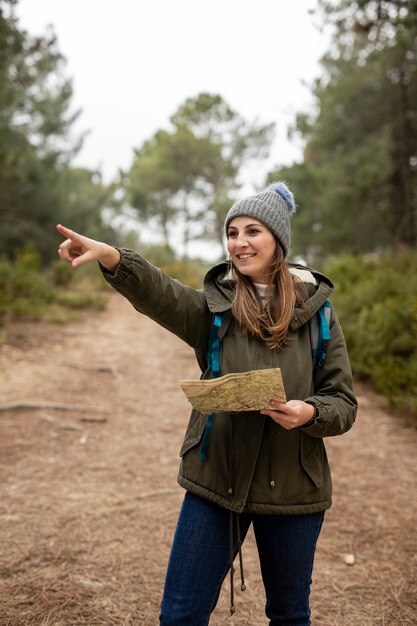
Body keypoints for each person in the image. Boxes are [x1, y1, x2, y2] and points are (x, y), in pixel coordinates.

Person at [57, 181, 357, 626]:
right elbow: (159, 293)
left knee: (290, 615)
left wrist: (309, 413)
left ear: (278, 241)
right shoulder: (213, 310)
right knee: (180, 615)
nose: (239, 242)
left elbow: (343, 402)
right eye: (232, 232)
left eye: (252, 231)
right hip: (214, 479)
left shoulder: (319, 314)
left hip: (295, 486)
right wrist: (111, 256)